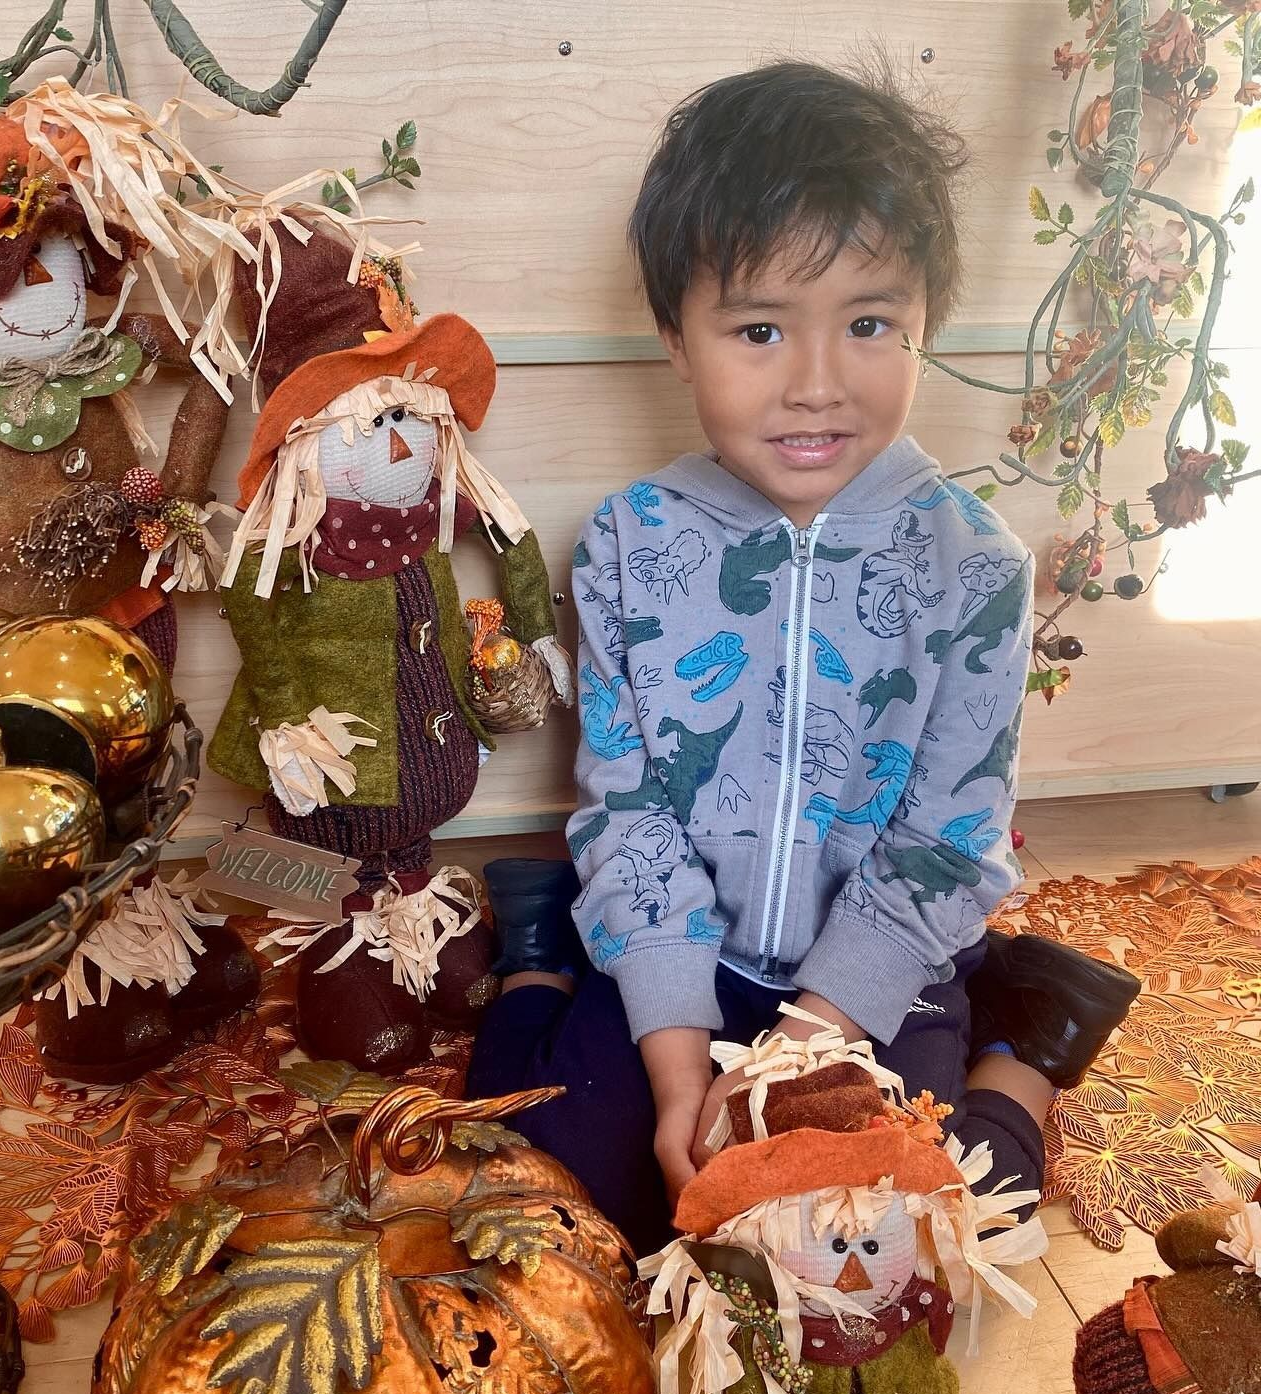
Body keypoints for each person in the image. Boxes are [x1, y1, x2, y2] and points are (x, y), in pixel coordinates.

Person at [467, 58, 1139, 1256]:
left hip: (878, 972)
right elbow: (631, 813)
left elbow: (947, 843)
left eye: (869, 324)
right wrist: (682, 1070)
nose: (817, 385)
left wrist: (806, 1051)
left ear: (924, 323)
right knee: (558, 1198)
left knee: (924, 1234)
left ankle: (1030, 1044)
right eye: (761, 329)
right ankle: (540, 954)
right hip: (691, 956)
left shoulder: (976, 566)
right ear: (678, 339)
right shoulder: (627, 542)